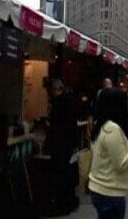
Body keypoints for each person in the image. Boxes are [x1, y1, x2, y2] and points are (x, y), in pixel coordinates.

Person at [89, 88, 128, 219]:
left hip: (99, 188)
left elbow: (117, 149)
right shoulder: (113, 129)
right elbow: (122, 163)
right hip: (109, 191)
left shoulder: (100, 124)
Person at [46, 79, 79, 215]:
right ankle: (70, 202)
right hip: (68, 143)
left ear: (56, 90)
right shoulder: (71, 102)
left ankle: (62, 204)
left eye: (52, 91)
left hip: (59, 144)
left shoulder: (58, 104)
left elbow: (56, 124)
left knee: (60, 174)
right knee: (67, 174)